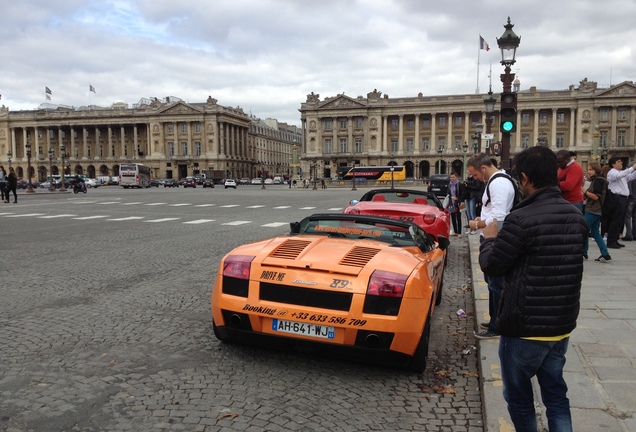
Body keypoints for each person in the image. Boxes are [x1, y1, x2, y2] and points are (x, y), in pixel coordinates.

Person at [479, 146, 588, 432]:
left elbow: (492, 265)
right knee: (555, 395)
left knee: (519, 398)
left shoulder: (520, 219)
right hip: (561, 325)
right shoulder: (576, 216)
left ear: (525, 178)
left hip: (525, 327)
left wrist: (489, 238)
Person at [466, 153, 516, 339]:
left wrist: (477, 224)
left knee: (496, 284)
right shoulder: (496, 181)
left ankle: (496, 326)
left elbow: (499, 218)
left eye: (475, 174)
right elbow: (493, 212)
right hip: (491, 238)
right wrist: (482, 219)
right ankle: (493, 318)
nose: (475, 178)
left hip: (496, 239)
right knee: (492, 283)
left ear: (483, 168)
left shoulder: (498, 183)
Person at [605, 157, 636, 249]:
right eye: (618, 161)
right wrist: (632, 168)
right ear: (613, 164)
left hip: (623, 198)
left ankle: (615, 239)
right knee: (615, 219)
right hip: (616, 198)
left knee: (619, 220)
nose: (621, 162)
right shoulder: (612, 172)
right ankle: (611, 241)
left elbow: (631, 177)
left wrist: (634, 170)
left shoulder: (621, 173)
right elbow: (619, 176)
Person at [582, 162, 610, 262]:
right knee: (595, 233)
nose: (588, 172)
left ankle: (583, 252)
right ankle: (605, 254)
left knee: (583, 230)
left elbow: (595, 196)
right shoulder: (598, 180)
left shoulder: (598, 181)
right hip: (597, 210)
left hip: (593, 210)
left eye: (590, 170)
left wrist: (584, 190)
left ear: (595, 170)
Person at [447, 172, 464, 237]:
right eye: (451, 177)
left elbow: (462, 194)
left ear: (456, 177)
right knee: (453, 217)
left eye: (453, 177)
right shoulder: (449, 185)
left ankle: (459, 232)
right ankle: (455, 231)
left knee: (458, 218)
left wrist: (460, 201)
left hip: (458, 203)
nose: (452, 178)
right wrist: (451, 197)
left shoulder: (459, 184)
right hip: (451, 203)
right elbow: (447, 193)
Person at [623, 175, 636, 241]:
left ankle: (629, 234)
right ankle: (634, 234)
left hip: (631, 197)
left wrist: (629, 194)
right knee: (634, 217)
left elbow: (629, 184)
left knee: (627, 216)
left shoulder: (630, 171)